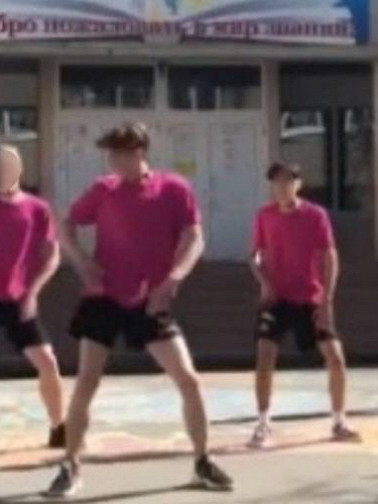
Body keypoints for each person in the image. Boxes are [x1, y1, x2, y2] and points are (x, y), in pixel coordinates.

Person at [45, 123, 233, 497]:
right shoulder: (103, 189)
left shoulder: (173, 188)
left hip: (151, 301)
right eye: (110, 154)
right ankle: (70, 466)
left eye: (120, 153)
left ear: (140, 152)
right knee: (87, 381)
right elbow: (65, 223)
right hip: (104, 298)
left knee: (189, 380)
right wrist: (81, 261)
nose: (113, 161)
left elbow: (195, 237)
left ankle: (202, 461)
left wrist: (174, 278)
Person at [248, 161, 360, 449]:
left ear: (297, 184)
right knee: (264, 356)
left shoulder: (315, 215)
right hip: (277, 299)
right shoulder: (264, 215)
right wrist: (263, 280)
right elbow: (255, 255)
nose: (281, 187)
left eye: (287, 181)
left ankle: (339, 421)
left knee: (335, 358)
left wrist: (327, 299)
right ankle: (262, 423)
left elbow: (330, 256)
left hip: (311, 297)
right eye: (276, 182)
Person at [0, 144, 65, 448]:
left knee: (47, 362)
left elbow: (52, 255)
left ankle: (58, 427)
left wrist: (33, 291)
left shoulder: (37, 209)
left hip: (18, 300)